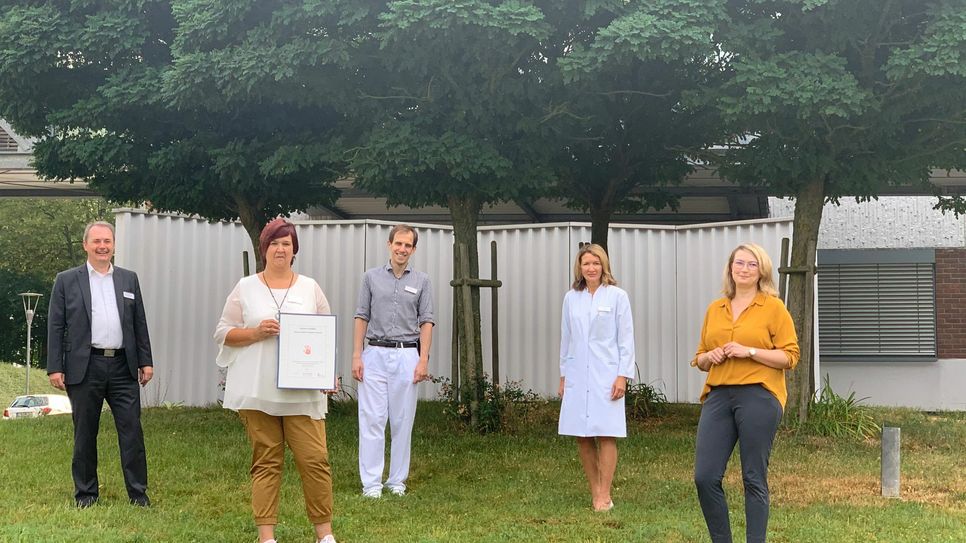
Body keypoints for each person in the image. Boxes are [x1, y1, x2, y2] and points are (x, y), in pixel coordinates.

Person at [214, 218, 336, 543]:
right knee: (266, 462)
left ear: (294, 249)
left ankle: (324, 535)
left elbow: (325, 335)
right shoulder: (246, 287)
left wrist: (328, 372)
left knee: (315, 460)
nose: (280, 248)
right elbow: (223, 332)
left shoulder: (310, 287)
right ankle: (266, 536)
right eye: (274, 243)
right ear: (263, 248)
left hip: (302, 392)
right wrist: (255, 332)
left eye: (286, 243)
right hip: (259, 392)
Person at [692, 243, 800, 543]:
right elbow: (699, 358)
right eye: (739, 263)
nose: (744, 269)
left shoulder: (773, 307)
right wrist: (710, 356)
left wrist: (749, 351)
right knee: (705, 476)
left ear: (761, 271)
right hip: (718, 395)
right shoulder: (716, 309)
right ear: (730, 268)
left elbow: (790, 356)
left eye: (752, 265)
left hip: (760, 395)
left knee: (753, 477)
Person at [46, 221, 154, 508]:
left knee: (132, 431)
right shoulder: (67, 280)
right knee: (85, 432)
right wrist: (55, 367)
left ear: (114, 245)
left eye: (107, 241)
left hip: (123, 366)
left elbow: (139, 322)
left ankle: (138, 493)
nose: (102, 246)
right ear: (86, 245)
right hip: (85, 367)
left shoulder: (129, 279)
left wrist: (146, 361)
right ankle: (86, 494)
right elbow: (55, 326)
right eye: (96, 241)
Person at [352, 224, 434, 498]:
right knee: (372, 419)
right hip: (374, 353)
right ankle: (372, 484)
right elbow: (361, 315)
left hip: (407, 355)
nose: (402, 249)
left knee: (402, 420)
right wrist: (357, 355)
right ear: (389, 245)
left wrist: (423, 360)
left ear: (413, 249)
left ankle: (397, 481)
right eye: (398, 243)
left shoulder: (422, 281)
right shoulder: (370, 278)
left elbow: (427, 321)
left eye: (407, 245)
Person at [558, 243, 635, 512]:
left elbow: (626, 340)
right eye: (586, 263)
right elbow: (566, 340)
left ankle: (605, 492)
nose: (591, 268)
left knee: (606, 432)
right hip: (578, 374)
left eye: (596, 263)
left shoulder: (617, 297)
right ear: (579, 267)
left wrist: (622, 376)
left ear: (604, 266)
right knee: (581, 434)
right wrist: (564, 376)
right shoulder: (571, 298)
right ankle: (594, 489)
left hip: (607, 374)